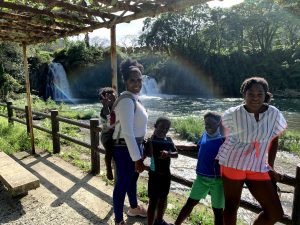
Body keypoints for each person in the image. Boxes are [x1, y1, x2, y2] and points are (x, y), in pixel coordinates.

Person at [216, 77, 287, 225]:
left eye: (259, 94)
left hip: (257, 165)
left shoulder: (274, 114)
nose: (255, 98)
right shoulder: (233, 113)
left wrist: (270, 166)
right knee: (231, 207)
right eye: (251, 94)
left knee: (275, 212)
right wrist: (229, 144)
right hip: (233, 163)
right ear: (244, 94)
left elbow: (274, 139)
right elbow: (222, 131)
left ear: (265, 94)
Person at [112, 59, 148, 225]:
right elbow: (127, 132)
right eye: (132, 80)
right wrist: (137, 159)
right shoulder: (127, 100)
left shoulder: (134, 98)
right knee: (122, 184)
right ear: (125, 82)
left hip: (134, 146)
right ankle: (119, 220)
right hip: (125, 148)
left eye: (139, 79)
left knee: (132, 180)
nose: (137, 83)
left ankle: (133, 207)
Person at [174, 112, 224, 225]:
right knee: (190, 203)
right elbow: (197, 147)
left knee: (218, 211)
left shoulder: (224, 138)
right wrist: (178, 146)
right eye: (206, 124)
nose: (207, 126)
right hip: (201, 178)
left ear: (219, 123)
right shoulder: (204, 134)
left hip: (218, 181)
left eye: (210, 124)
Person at [144, 117, 178, 225]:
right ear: (155, 126)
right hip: (154, 175)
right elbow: (144, 155)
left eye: (167, 128)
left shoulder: (168, 140)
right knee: (153, 202)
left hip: (166, 175)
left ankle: (159, 221)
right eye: (162, 127)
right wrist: (137, 165)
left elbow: (176, 154)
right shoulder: (150, 140)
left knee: (163, 199)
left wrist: (168, 153)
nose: (164, 130)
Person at [99, 87, 118, 180]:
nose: (112, 100)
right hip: (107, 135)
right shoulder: (105, 110)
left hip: (116, 134)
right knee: (110, 149)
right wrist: (105, 106)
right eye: (108, 99)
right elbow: (109, 119)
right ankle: (108, 169)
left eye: (114, 98)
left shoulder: (118, 107)